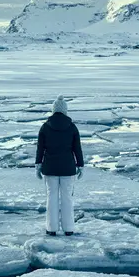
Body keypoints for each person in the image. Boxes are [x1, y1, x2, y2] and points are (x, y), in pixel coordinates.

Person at [35, 95, 84, 236]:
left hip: (49, 168)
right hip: (68, 168)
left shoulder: (45, 127)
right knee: (67, 197)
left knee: (52, 198)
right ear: (65, 110)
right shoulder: (72, 127)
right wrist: (80, 165)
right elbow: (77, 149)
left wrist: (38, 165)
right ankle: (68, 229)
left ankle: (51, 228)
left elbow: (40, 148)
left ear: (53, 110)